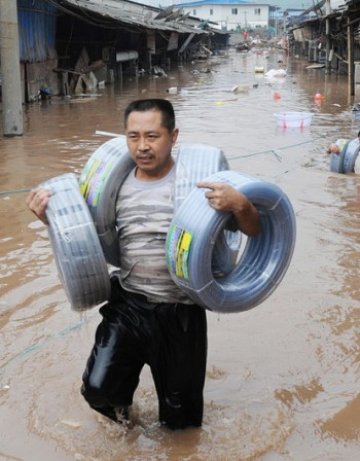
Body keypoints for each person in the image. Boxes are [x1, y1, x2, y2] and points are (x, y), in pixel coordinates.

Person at [26, 98, 260, 430]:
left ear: (173, 135)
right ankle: (128, 424)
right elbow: (82, 237)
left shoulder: (204, 189)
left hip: (181, 312)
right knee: (98, 389)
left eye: (152, 136)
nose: (142, 146)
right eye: (133, 137)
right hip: (129, 304)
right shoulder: (112, 185)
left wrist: (242, 205)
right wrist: (49, 217)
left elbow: (253, 230)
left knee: (182, 424)